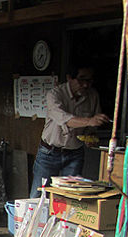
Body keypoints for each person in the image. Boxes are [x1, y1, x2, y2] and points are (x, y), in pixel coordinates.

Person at [30, 65, 111, 197]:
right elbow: (64, 119)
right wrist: (90, 120)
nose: (85, 85)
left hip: (75, 153)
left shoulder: (92, 96)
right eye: (81, 79)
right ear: (69, 78)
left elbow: (91, 127)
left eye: (89, 81)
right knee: (39, 194)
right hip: (49, 152)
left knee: (70, 196)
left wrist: (90, 135)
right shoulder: (55, 94)